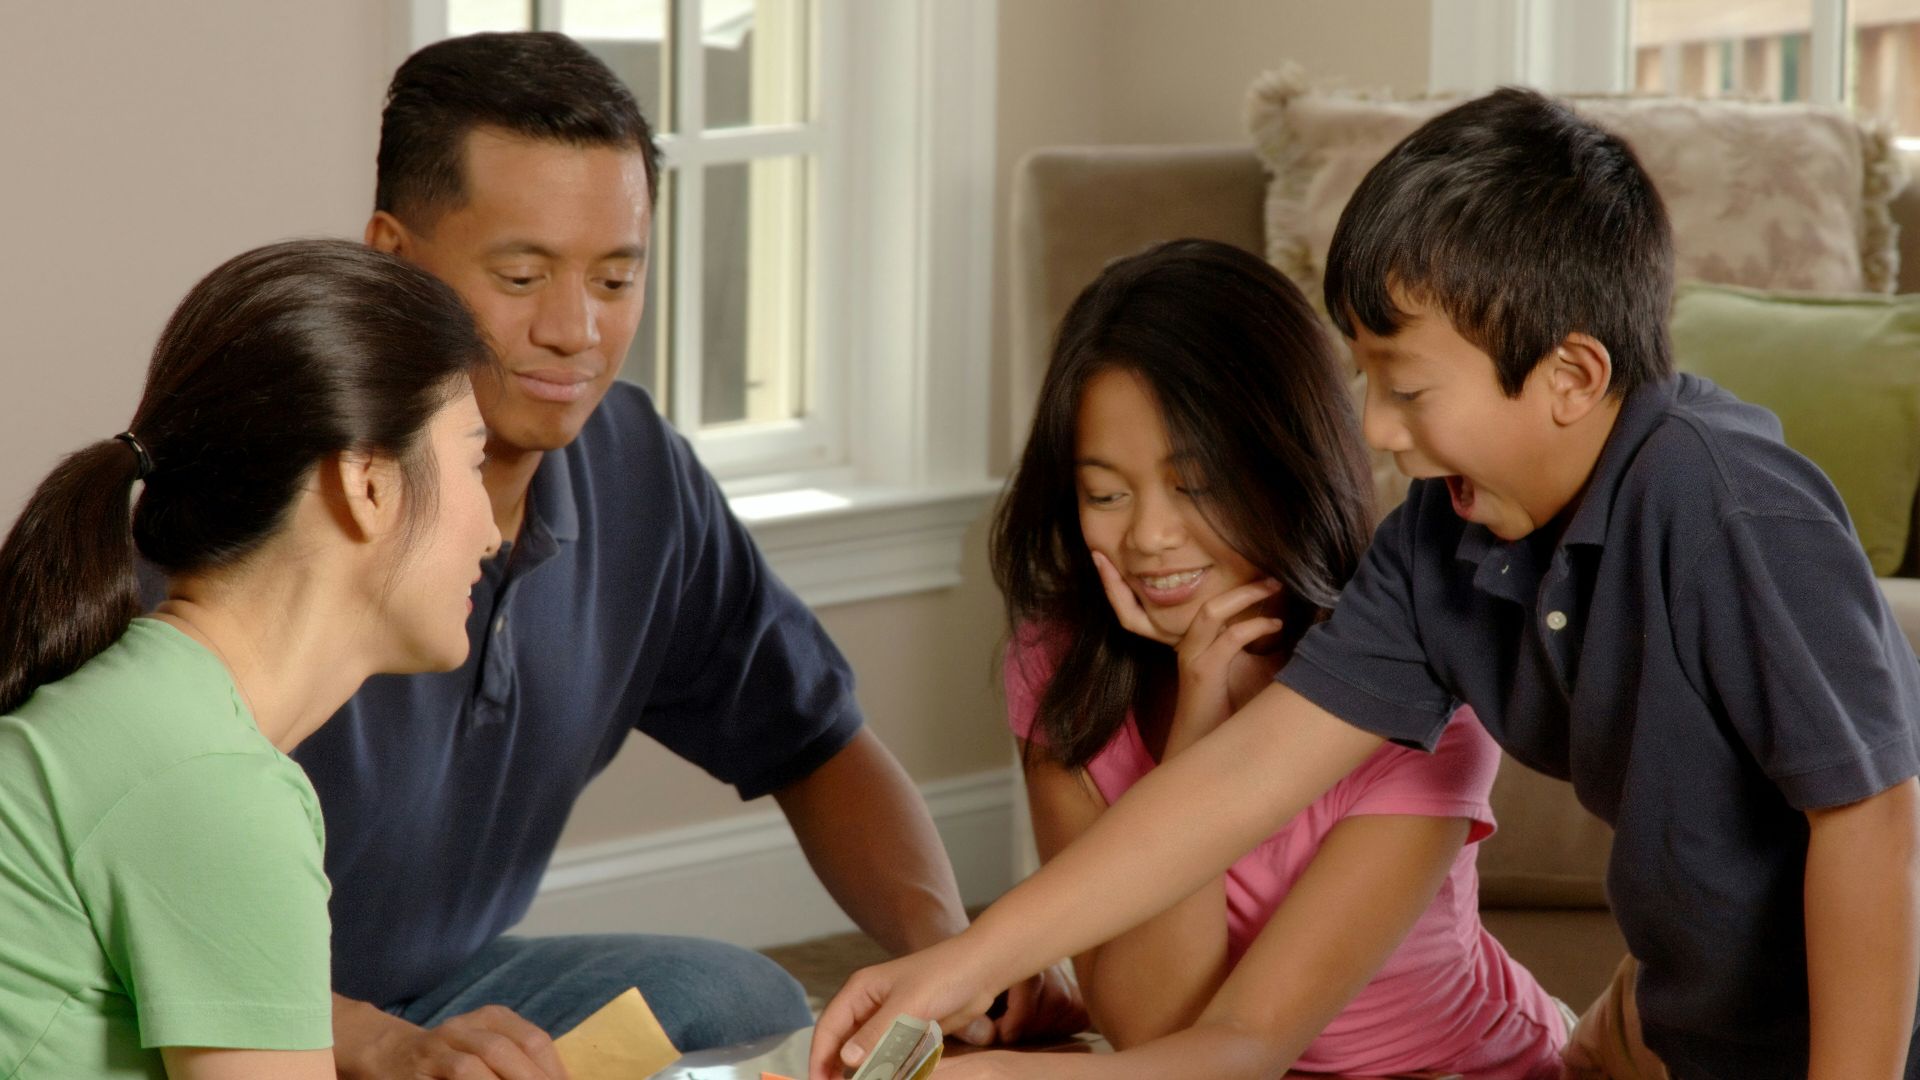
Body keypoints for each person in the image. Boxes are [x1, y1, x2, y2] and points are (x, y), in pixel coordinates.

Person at [811, 88, 1920, 1080]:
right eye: (1366, 380)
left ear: (1572, 376)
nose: (1378, 430)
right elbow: (1239, 779)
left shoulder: (1731, 510)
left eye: (1407, 388)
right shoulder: (1440, 543)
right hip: (1697, 1027)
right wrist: (960, 964)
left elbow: (1870, 821)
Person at [288, 31, 1081, 1080]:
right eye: (522, 275)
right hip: (229, 1010)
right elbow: (122, 912)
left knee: (737, 1001)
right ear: (392, 259)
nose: (576, 330)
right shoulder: (271, 496)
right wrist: (383, 1048)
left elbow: (815, 741)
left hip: (440, 984)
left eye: (617, 277)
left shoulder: (634, 470)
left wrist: (950, 955)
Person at [970, 239, 1565, 1079]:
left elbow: (1246, 1045)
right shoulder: (1059, 670)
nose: (1148, 536)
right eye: (1106, 493)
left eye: (1197, 485)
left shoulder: (1420, 692)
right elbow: (1148, 1026)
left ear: (1287, 465)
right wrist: (1198, 706)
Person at [0, 239, 500, 1079]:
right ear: (368, 484)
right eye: (474, 462)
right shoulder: (215, 784)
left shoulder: (149, 712)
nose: (491, 532)